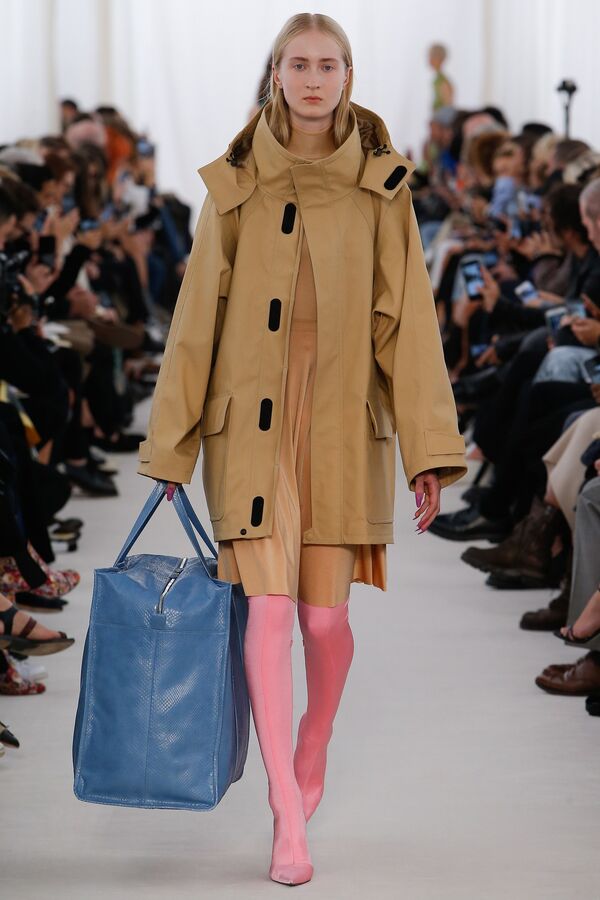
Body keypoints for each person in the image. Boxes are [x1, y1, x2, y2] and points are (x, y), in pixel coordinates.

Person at [137, 12, 466, 885]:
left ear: (348, 75)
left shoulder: (382, 188)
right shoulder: (236, 184)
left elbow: (410, 325)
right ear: (276, 74)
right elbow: (195, 321)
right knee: (270, 612)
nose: (314, 79)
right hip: (250, 429)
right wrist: (170, 448)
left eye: (328, 65)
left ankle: (312, 741)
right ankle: (286, 806)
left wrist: (427, 450)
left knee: (325, 621)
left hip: (339, 424)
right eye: (299, 64)